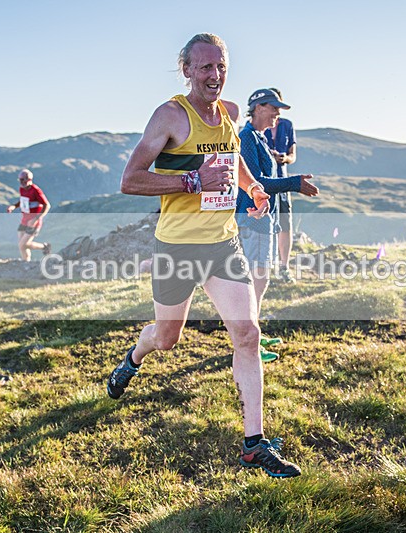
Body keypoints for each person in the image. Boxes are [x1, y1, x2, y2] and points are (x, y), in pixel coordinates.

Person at [107, 33, 301, 478]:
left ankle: (254, 444)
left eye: (221, 67)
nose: (214, 76)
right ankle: (134, 358)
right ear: (188, 71)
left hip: (222, 243)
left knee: (248, 334)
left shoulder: (230, 114)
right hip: (178, 247)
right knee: (166, 338)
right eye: (205, 68)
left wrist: (252, 186)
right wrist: (193, 182)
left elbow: (230, 159)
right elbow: (131, 179)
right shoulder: (170, 116)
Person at [237, 88, 319, 362]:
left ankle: (254, 334)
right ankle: (249, 343)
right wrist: (294, 183)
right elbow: (256, 183)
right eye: (273, 108)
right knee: (256, 281)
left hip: (262, 218)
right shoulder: (247, 138)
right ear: (258, 107)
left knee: (260, 279)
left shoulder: (258, 138)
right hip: (253, 218)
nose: (277, 115)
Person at [264, 88, 298, 283]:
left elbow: (293, 155)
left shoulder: (287, 125)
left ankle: (284, 267)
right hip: (265, 182)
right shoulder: (258, 126)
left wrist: (285, 158)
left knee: (285, 224)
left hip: (283, 181)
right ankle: (266, 268)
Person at [6, 169, 51, 261]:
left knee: (22, 244)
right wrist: (14, 206)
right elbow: (23, 201)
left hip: (33, 222)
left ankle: (29, 259)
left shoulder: (36, 191)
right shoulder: (22, 189)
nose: (21, 182)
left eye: (23, 179)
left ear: (29, 179)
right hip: (24, 221)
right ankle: (28, 260)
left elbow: (47, 205)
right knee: (23, 245)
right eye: (20, 180)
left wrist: (36, 219)